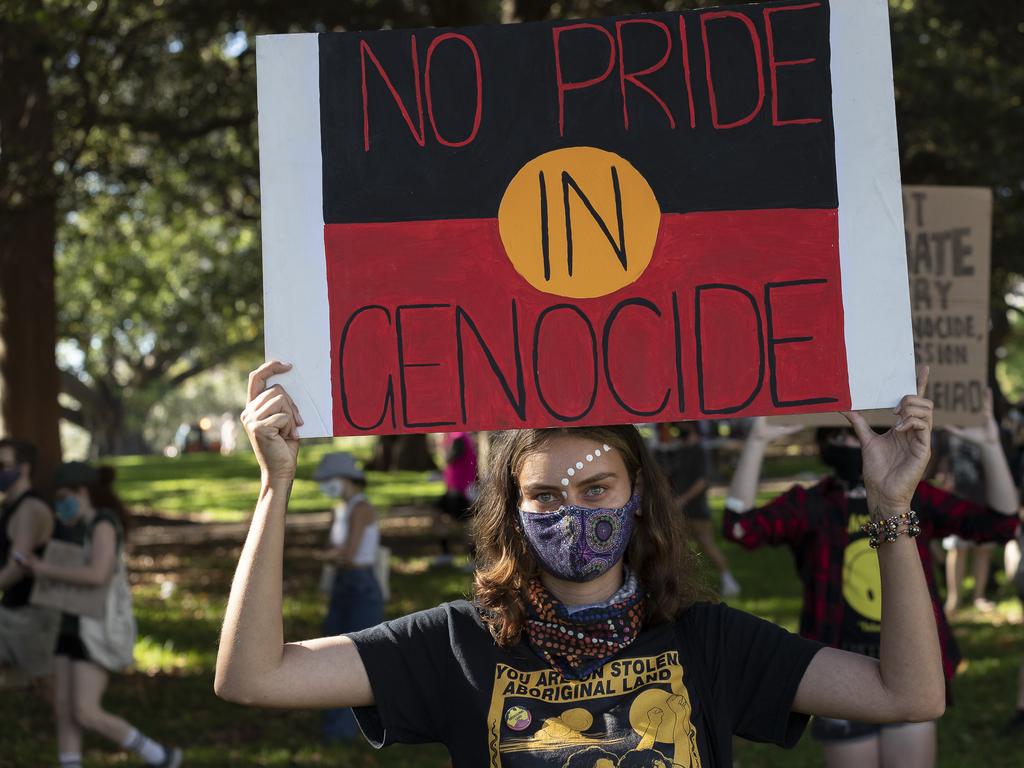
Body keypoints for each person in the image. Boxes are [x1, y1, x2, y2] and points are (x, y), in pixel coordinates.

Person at [215, 361, 946, 767]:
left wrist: (889, 505)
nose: (574, 512)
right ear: (511, 510)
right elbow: (253, 676)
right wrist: (275, 487)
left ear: (638, 498)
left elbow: (909, 697)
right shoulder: (456, 645)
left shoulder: (711, 642)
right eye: (545, 495)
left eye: (598, 488)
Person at [722, 391, 1020, 768]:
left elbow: (1002, 523)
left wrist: (991, 445)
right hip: (840, 668)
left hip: (911, 662)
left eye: (864, 433)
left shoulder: (914, 497)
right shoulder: (814, 503)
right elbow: (738, 527)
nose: (852, 442)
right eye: (839, 435)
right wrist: (758, 441)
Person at [20, 462, 182, 768]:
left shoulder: (104, 524)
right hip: (67, 628)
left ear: (83, 492)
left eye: (64, 496)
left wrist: (44, 570)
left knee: (85, 711)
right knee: (64, 711)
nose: (60, 505)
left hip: (94, 629)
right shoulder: (77, 527)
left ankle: (159, 755)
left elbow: (98, 575)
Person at [313, 451, 383, 742]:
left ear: (345, 479)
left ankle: (345, 730)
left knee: (352, 660)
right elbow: (337, 550)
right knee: (332, 657)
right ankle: (338, 727)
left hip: (360, 585)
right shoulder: (342, 508)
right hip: (345, 583)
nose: (325, 486)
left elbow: (348, 554)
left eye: (329, 480)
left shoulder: (361, 508)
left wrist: (323, 556)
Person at [649, 422, 740, 597]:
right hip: (676, 511)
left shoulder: (699, 451)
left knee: (706, 544)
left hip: (696, 510)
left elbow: (702, 481)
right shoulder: (678, 451)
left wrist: (682, 500)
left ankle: (728, 581)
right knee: (673, 549)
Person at [0, 437, 59, 684]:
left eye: (3, 465)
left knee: (45, 685)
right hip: (15, 609)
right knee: (44, 686)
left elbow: (17, 567)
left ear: (23, 468)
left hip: (30, 613)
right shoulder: (10, 506)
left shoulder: (30, 509)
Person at [434, 431, 478, 566]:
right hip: (454, 490)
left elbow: (448, 458)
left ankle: (473, 559)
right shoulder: (457, 437)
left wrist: (440, 445)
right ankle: (446, 553)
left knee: (466, 524)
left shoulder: (458, 437)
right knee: (438, 516)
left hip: (460, 491)